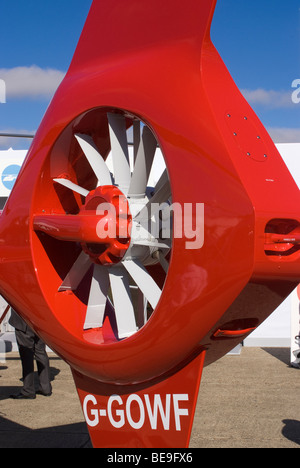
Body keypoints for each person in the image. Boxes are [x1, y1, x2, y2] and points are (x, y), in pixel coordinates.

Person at [9, 308, 52, 399]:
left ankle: (28, 390)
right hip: (40, 318)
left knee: (27, 355)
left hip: (24, 320)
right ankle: (45, 388)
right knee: (40, 352)